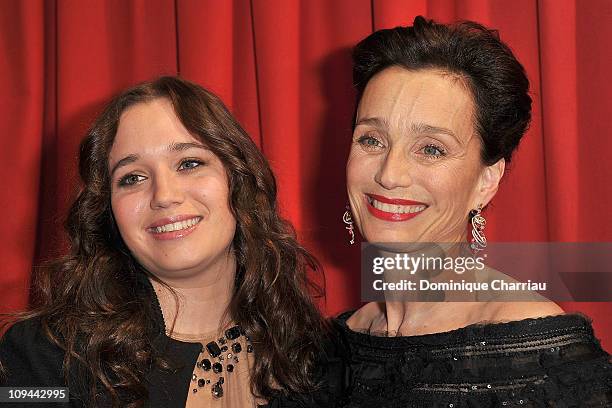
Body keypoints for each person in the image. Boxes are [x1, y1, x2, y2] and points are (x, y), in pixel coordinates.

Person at [0, 77, 344, 408]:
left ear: (238, 180)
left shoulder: (316, 358)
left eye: (189, 163)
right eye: (132, 178)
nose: (164, 196)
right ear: (107, 210)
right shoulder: (42, 358)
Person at [338, 16, 611, 407]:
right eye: (371, 139)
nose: (389, 174)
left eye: (431, 148)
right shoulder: (338, 344)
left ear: (486, 180)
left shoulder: (536, 354)